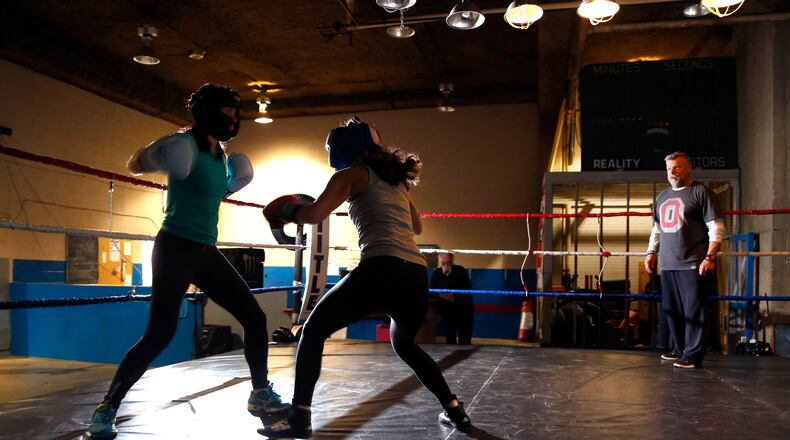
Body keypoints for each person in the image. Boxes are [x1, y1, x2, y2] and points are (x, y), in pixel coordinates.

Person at [86, 84, 289, 439]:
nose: (233, 118)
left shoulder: (222, 156)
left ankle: (259, 393)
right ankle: (107, 408)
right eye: (227, 112)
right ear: (208, 113)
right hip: (175, 248)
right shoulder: (185, 145)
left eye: (235, 113)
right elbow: (135, 163)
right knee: (159, 334)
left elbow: (215, 192)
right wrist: (155, 152)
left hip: (206, 252)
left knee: (254, 318)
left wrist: (232, 185)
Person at [259, 117, 472, 438]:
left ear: (340, 149)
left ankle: (299, 417)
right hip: (415, 274)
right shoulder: (399, 183)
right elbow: (417, 228)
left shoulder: (349, 175)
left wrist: (286, 211)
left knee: (313, 331)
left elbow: (314, 215)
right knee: (406, 345)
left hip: (381, 267)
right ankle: (455, 410)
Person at [644, 151, 724, 369]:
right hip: (668, 263)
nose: (673, 171)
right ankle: (680, 349)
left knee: (694, 310)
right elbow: (657, 229)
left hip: (693, 262)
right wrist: (651, 252)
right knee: (672, 310)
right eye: (669, 168)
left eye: (677, 167)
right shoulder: (661, 196)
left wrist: (710, 257)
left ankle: (693, 355)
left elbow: (715, 226)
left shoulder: (701, 192)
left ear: (688, 168)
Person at [431, 252, 474, 345]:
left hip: (463, 311)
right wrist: (440, 295)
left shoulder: (460, 271)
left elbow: (468, 289)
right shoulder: (437, 273)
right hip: (446, 312)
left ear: (452, 261)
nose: (446, 265)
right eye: (443, 263)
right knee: (450, 338)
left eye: (448, 262)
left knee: (465, 339)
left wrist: (455, 297)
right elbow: (432, 290)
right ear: (440, 262)